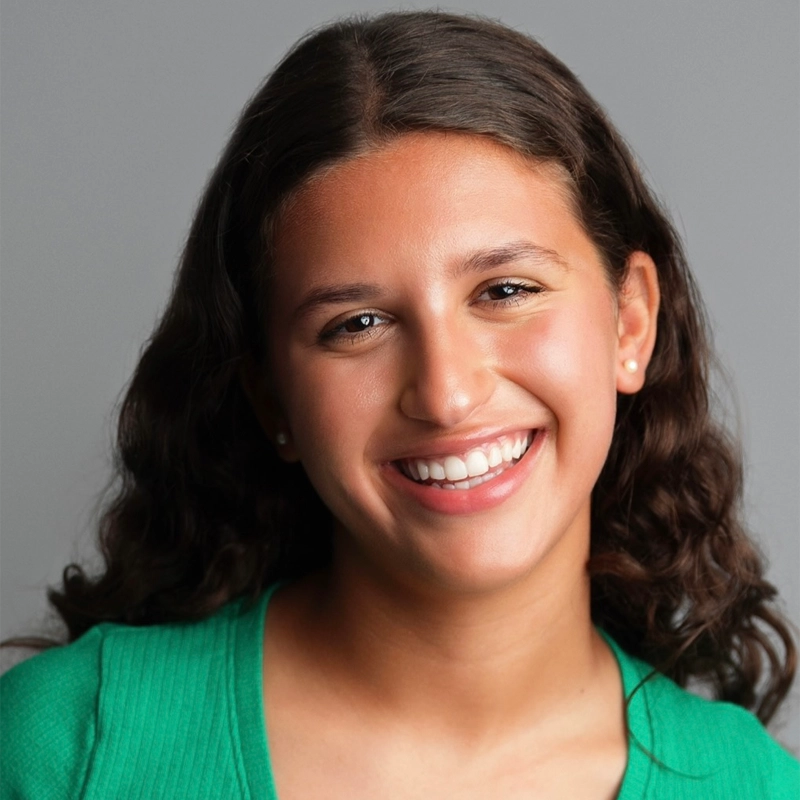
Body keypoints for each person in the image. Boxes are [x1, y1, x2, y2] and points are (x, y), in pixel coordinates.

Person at [1, 10, 798, 799]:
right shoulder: (66, 745)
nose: (447, 396)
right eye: (358, 325)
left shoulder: (754, 787)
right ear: (271, 395)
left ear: (630, 324)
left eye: (506, 290)